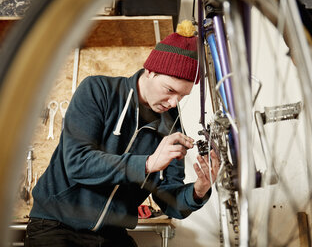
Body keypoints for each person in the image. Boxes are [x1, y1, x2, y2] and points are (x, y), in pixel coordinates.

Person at [25, 20, 220, 247]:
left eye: (182, 96)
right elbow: (78, 162)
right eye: (170, 90)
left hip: (112, 234)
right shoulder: (97, 91)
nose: (173, 102)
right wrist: (147, 163)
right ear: (150, 71)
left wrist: (198, 191)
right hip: (56, 226)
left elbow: (169, 201)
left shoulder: (171, 125)